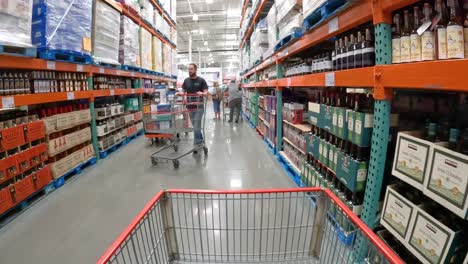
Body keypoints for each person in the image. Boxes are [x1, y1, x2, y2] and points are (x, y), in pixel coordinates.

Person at [181, 63, 208, 147]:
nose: (190, 71)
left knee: (196, 126)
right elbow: (183, 91)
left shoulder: (201, 80)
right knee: (195, 126)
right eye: (189, 69)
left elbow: (206, 92)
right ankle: (200, 140)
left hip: (199, 107)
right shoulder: (186, 81)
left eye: (191, 69)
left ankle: (196, 144)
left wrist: (202, 93)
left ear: (196, 70)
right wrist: (181, 95)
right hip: (189, 107)